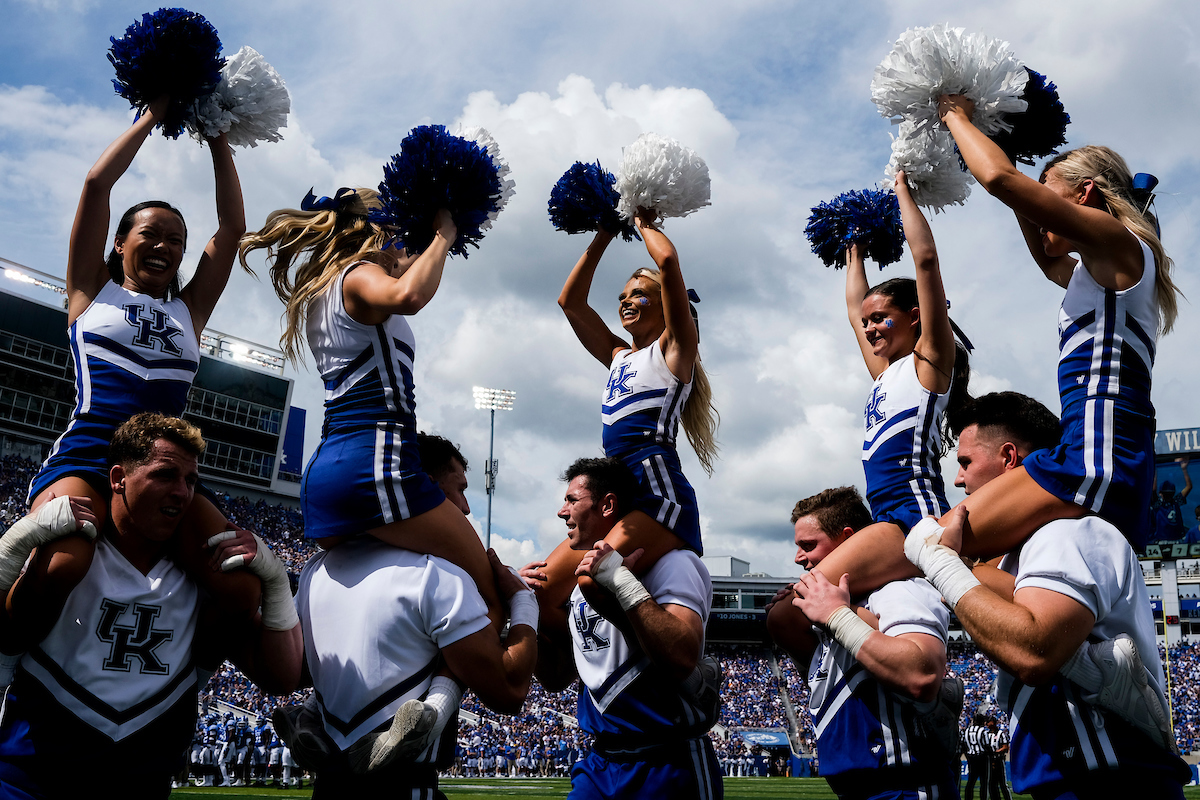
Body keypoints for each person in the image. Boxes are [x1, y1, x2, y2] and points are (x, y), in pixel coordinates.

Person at [0, 95, 254, 684]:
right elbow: (96, 184)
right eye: (152, 234)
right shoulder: (90, 292)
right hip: (90, 449)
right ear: (120, 242)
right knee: (64, 563)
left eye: (177, 241)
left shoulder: (190, 311)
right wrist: (157, 110)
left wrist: (216, 132)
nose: (165, 246)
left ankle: (183, 680)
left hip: (167, 464)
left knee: (238, 587)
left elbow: (233, 229)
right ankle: (7, 654)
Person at [0, 413, 302, 798]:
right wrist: (16, 543)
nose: (182, 492)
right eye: (165, 475)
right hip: (31, 781)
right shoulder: (64, 554)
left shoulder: (206, 580)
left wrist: (275, 582)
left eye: (191, 481)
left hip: (143, 784)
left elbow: (281, 677)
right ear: (117, 479)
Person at [904, 392, 1190, 797]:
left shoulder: (1064, 531)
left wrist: (939, 562)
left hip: (1107, 781)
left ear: (1008, 457)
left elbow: (1033, 651)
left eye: (965, 462)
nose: (958, 480)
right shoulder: (1019, 555)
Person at [767, 168, 970, 645]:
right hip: (883, 521)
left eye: (883, 318)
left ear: (917, 316)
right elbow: (853, 303)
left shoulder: (930, 366)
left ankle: (892, 642)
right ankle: (882, 634)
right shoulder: (884, 374)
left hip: (910, 520)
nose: (871, 328)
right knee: (786, 613)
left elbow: (925, 261)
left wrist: (901, 191)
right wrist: (853, 246)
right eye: (867, 322)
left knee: (790, 613)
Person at [539, 206, 720, 630]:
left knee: (593, 577)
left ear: (664, 305)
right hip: (618, 494)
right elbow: (570, 302)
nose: (626, 302)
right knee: (544, 589)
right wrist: (603, 234)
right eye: (621, 297)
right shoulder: (619, 356)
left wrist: (641, 223)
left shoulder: (675, 351)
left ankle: (680, 669)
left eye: (638, 295)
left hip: (659, 497)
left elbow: (669, 262)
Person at [293, 518, 538, 798]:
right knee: (467, 638)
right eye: (459, 488)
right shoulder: (433, 572)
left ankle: (308, 714)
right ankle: (433, 714)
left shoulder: (314, 568)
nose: (466, 506)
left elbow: (294, 670)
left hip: (328, 784)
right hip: (404, 784)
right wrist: (522, 599)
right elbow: (510, 690)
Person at [530, 457, 723, 800]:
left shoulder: (674, 563)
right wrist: (522, 611)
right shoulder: (575, 586)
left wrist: (621, 584)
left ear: (607, 505)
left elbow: (681, 656)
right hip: (599, 761)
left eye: (572, 500)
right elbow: (556, 676)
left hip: (667, 761)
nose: (562, 512)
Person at [766, 486, 958, 799]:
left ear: (847, 539)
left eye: (808, 545)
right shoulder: (832, 607)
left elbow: (919, 674)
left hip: (905, 788)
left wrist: (837, 615)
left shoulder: (900, 589)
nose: (798, 557)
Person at [1154, 457, 1191, 541]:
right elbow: (1188, 487)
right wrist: (1184, 469)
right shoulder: (1161, 504)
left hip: (1175, 539)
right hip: (1163, 539)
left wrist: (1154, 469)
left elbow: (1188, 487)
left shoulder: (1174, 502)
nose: (1167, 495)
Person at [962, 713, 992, 800]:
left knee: (971, 781)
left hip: (971, 757)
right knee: (984, 782)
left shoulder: (967, 730)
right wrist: (991, 755)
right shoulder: (983, 731)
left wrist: (968, 755)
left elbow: (964, 745)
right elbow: (987, 745)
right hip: (982, 757)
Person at [986, 717, 1012, 800]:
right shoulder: (987, 734)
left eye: (988, 721)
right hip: (990, 762)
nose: (986, 723)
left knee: (1003, 784)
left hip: (998, 761)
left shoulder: (1000, 733)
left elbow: (1005, 747)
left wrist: (995, 752)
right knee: (992, 784)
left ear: (993, 722)